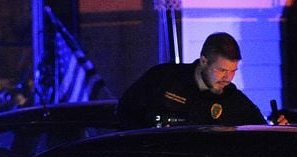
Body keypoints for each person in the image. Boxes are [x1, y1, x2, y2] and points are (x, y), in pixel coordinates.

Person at [117, 32, 288, 128]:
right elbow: (125, 112)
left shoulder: (234, 101)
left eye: (233, 71)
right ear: (203, 61)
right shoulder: (164, 79)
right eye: (221, 70)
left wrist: (277, 127)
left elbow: (259, 132)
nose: (228, 78)